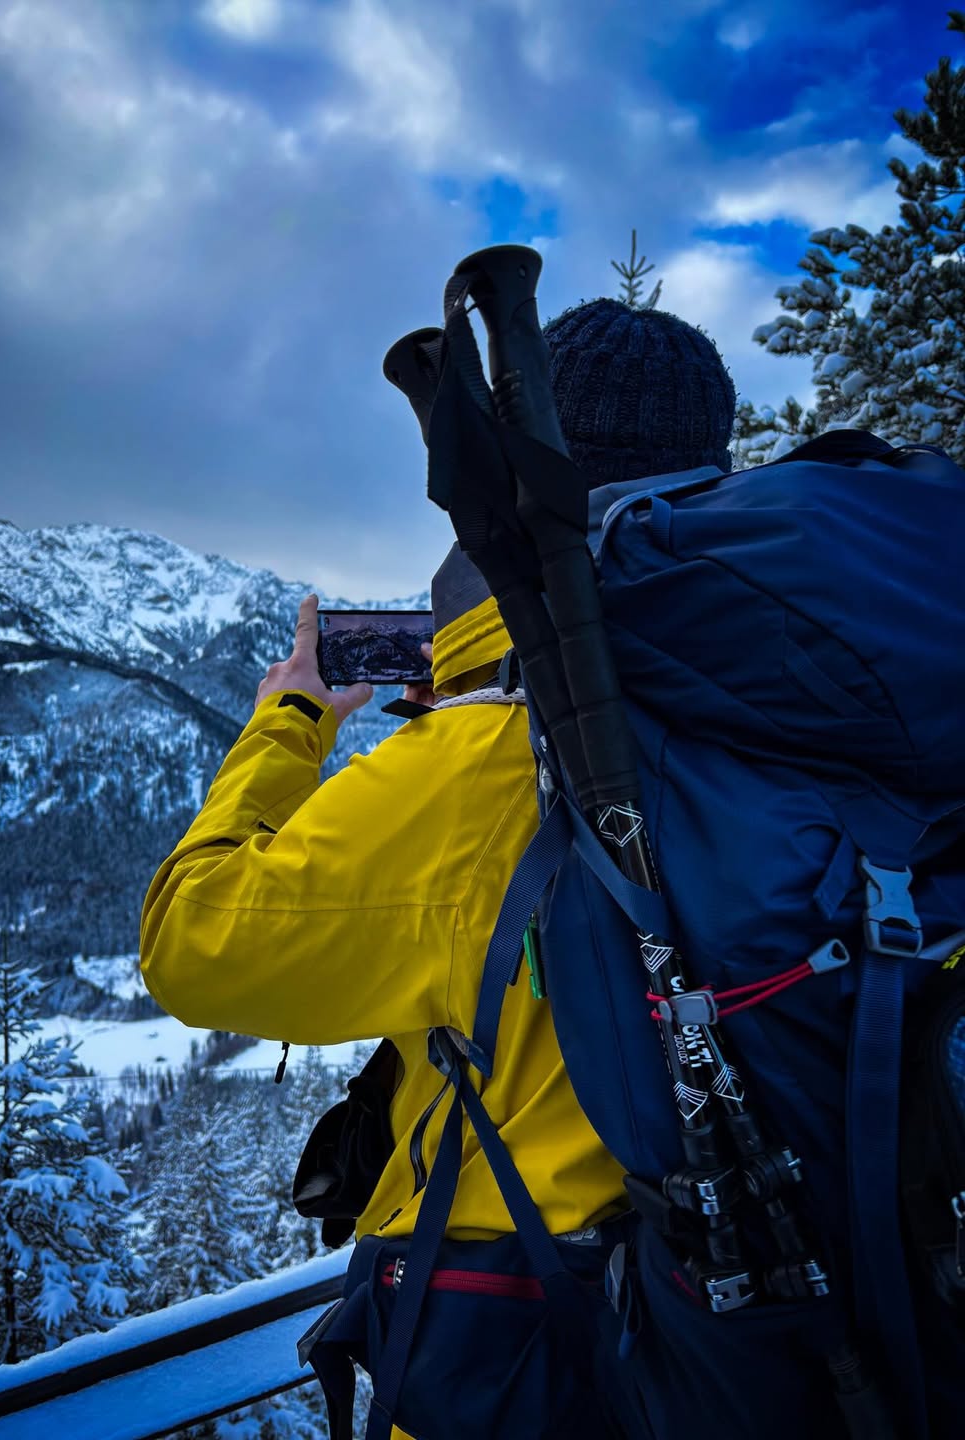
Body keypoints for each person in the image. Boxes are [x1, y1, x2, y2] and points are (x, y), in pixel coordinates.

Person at [139, 296, 737, 1439]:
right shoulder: (812, 699)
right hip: (821, 1315)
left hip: (554, 1352)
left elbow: (193, 944)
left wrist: (289, 724)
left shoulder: (487, 763)